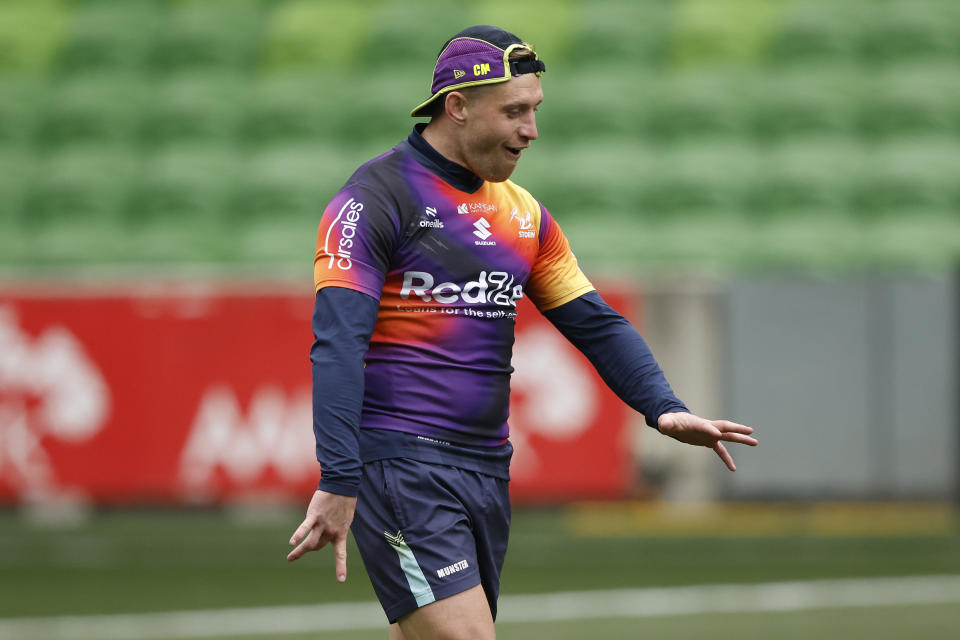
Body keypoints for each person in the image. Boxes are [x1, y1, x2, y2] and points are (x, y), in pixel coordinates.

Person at [287, 25, 757, 640]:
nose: (530, 130)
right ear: (457, 107)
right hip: (401, 466)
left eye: (534, 110)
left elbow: (593, 321)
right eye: (514, 112)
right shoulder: (373, 201)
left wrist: (663, 408)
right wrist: (340, 476)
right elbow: (338, 344)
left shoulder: (524, 213)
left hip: (486, 468)